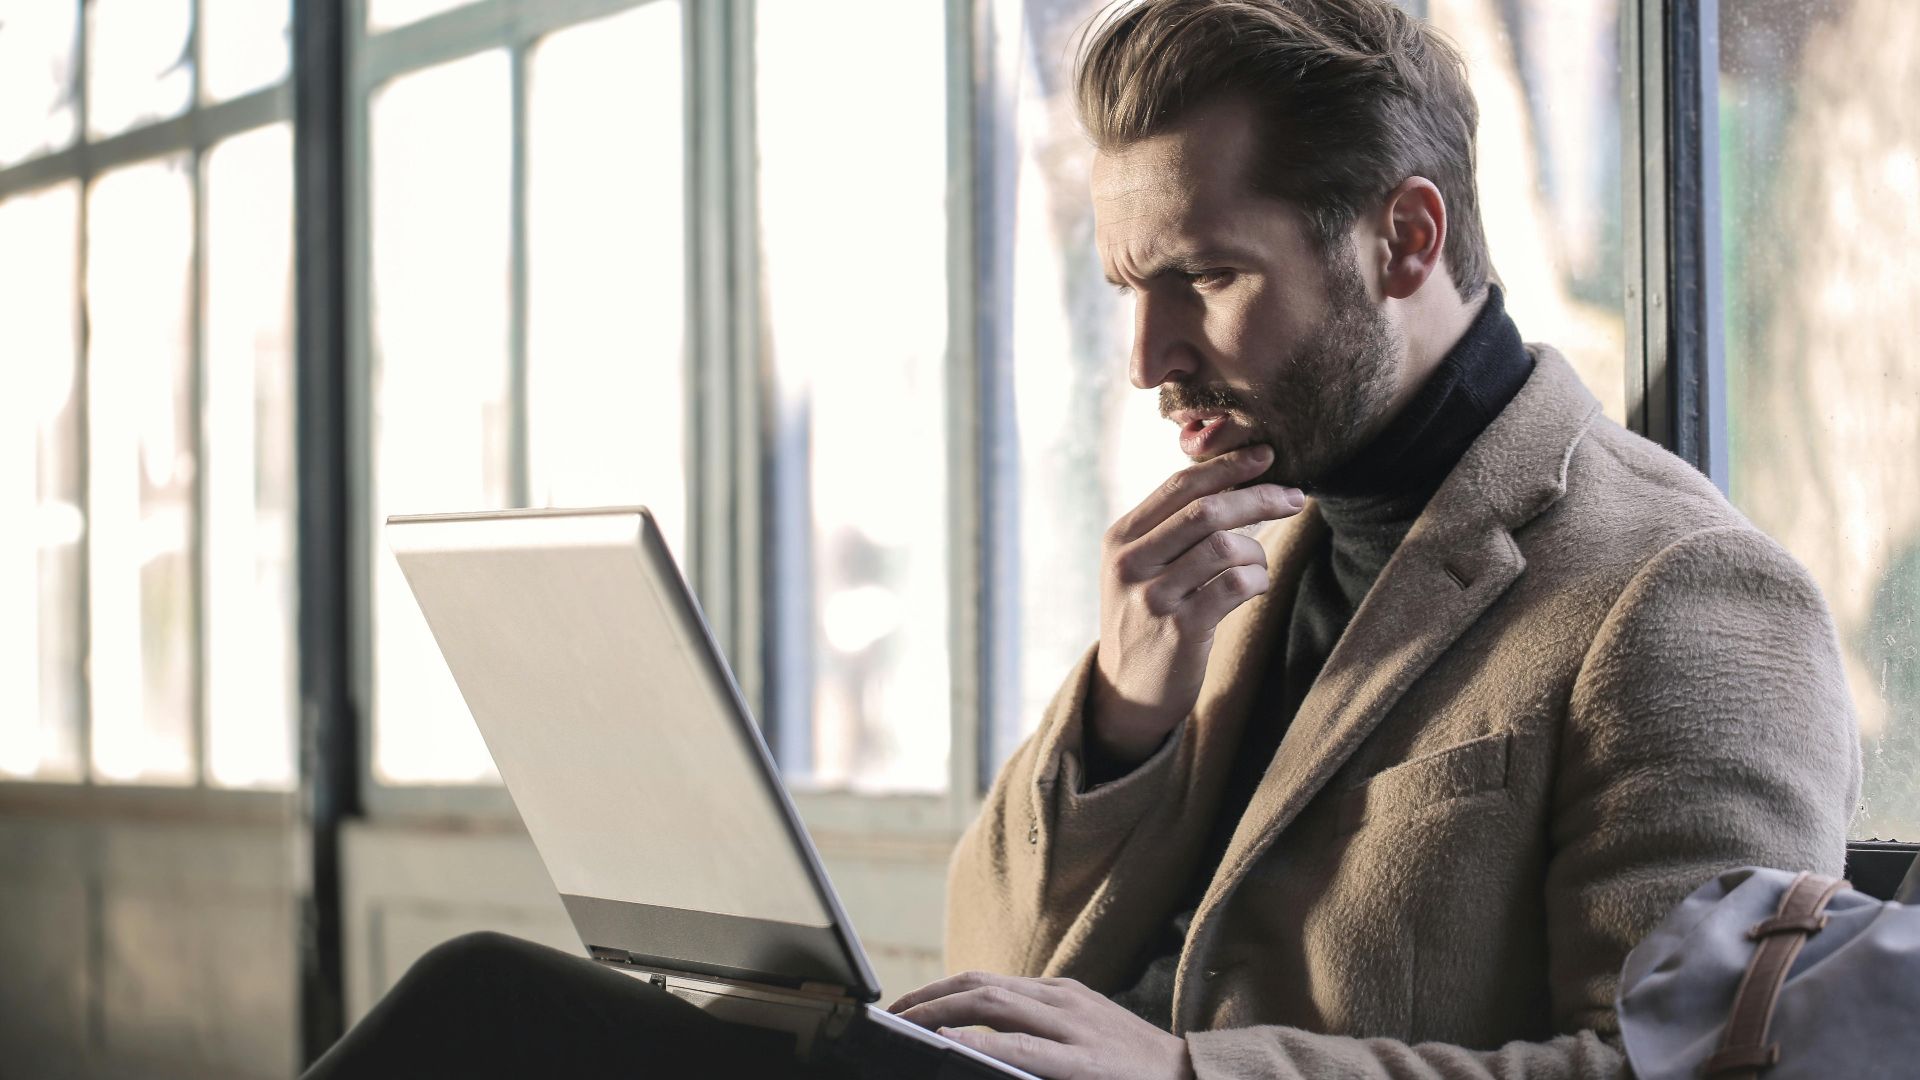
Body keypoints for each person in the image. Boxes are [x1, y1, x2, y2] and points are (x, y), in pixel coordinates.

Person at [303, 1, 1861, 1078]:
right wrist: (1124, 715)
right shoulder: (1249, 541)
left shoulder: (1680, 595)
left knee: (487, 1020)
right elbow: (986, 956)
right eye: (1128, 286)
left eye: (1205, 277)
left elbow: (1678, 1069)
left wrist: (1193, 1070)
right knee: (505, 1022)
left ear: (1403, 239)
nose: (1148, 357)